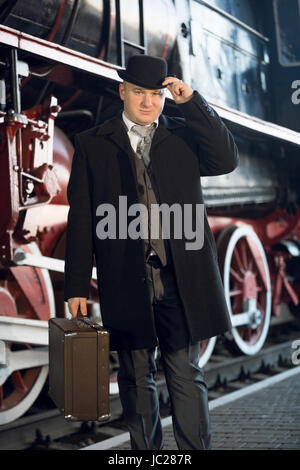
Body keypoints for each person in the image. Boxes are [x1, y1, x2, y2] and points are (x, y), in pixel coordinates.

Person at [64, 54, 239, 450]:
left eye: (156, 94)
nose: (148, 102)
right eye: (139, 93)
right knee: (135, 375)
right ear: (122, 91)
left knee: (185, 372)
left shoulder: (184, 136)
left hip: (181, 278)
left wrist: (191, 101)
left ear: (166, 94)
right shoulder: (93, 144)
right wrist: (75, 285)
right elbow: (81, 219)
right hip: (125, 278)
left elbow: (227, 159)